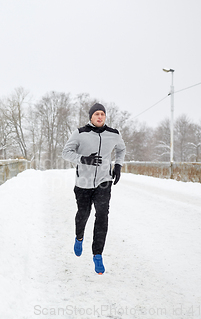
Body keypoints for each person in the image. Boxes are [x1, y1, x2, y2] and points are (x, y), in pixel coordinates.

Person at [61, 103, 126, 275]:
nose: (99, 117)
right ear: (91, 117)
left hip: (104, 182)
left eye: (102, 114)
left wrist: (118, 166)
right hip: (83, 182)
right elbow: (66, 152)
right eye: (96, 114)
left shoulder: (114, 134)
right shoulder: (80, 133)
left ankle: (98, 254)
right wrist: (83, 159)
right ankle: (79, 237)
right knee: (83, 214)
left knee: (102, 216)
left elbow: (121, 149)